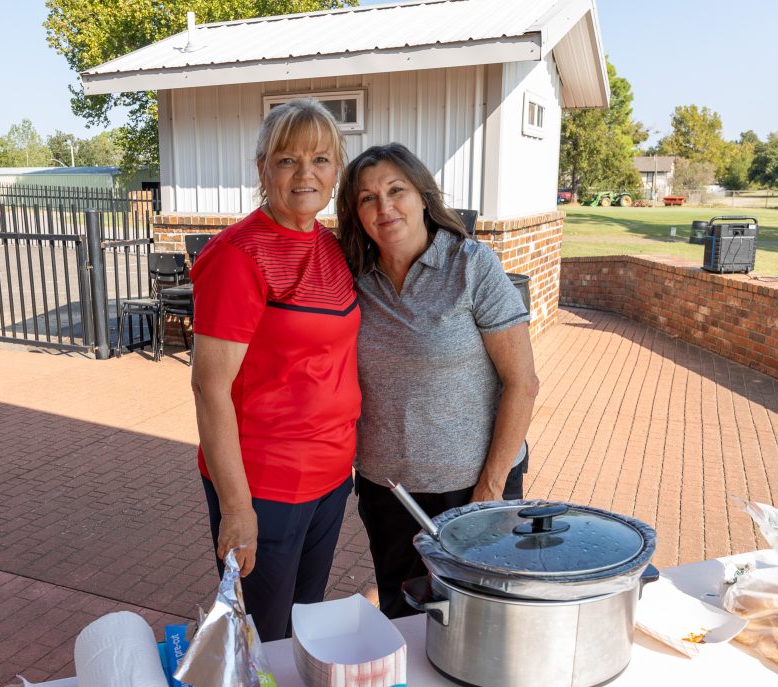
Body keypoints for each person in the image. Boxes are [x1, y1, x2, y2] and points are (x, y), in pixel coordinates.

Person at [336, 143, 540, 619]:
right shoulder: (355, 275)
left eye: (395, 190)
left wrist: (489, 490)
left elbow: (523, 383)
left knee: (480, 617)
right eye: (367, 198)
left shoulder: (471, 265)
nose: (384, 207)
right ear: (356, 214)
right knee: (403, 612)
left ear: (423, 195)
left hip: (470, 489)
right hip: (388, 491)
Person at [190, 99, 360, 642]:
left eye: (321, 159)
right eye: (288, 160)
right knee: (262, 640)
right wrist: (237, 509)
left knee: (303, 624)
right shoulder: (238, 257)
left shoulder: (332, 247)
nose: (306, 173)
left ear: (337, 169)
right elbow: (209, 386)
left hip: (331, 478)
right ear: (262, 168)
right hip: (266, 485)